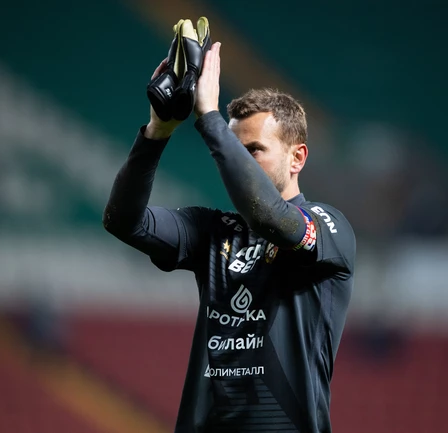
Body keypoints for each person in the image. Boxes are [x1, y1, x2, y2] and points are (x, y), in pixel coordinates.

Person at [104, 41, 356, 433]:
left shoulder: (328, 226)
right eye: (232, 150)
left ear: (297, 158)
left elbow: (271, 217)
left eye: (253, 150)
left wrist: (210, 119)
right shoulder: (213, 232)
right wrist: (157, 132)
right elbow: (124, 222)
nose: (235, 160)